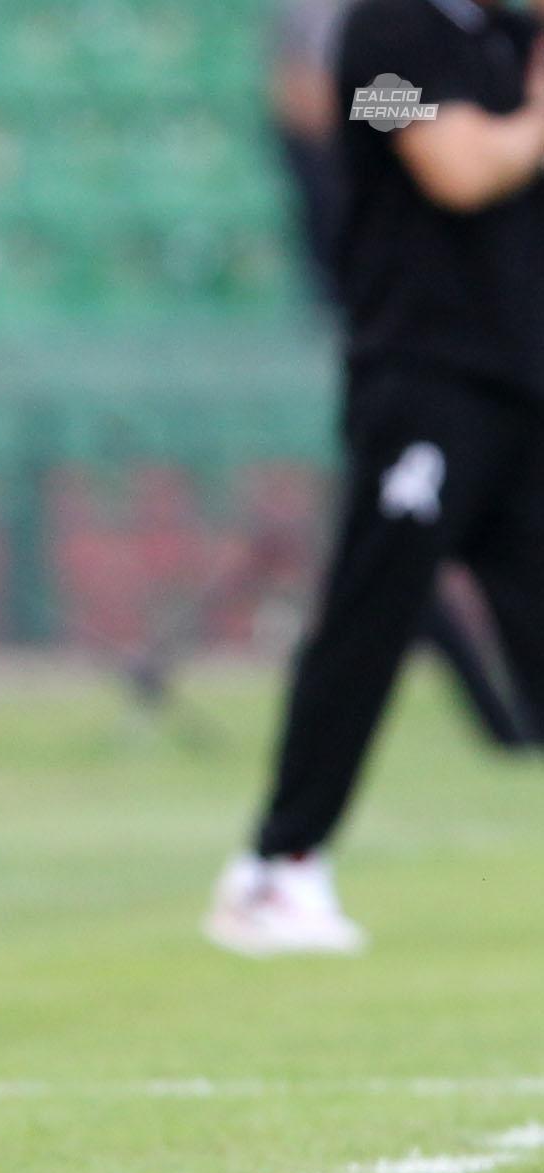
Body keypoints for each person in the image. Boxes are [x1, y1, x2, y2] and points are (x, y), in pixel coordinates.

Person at [208, 0, 544, 955]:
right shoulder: (384, 44)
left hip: (523, 385)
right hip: (425, 379)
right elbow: (457, 168)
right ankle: (278, 864)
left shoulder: (509, 42)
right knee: (373, 615)